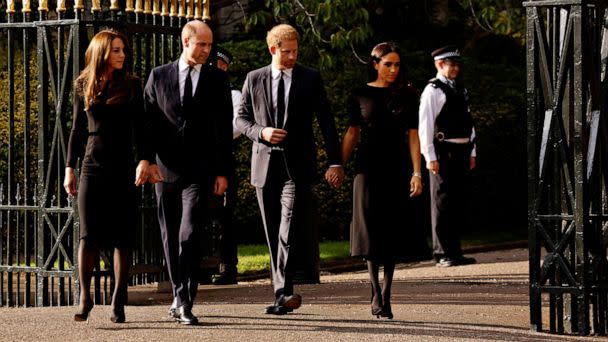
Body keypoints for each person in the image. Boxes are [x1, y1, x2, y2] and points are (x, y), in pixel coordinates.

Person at [235, 24, 344, 315]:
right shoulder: (254, 78)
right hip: (264, 165)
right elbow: (242, 120)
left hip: (297, 167)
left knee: (289, 226)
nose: (293, 56)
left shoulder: (310, 78)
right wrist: (262, 132)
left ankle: (284, 291)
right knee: (273, 231)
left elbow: (327, 121)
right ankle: (280, 294)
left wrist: (335, 160)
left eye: (296, 51)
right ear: (273, 49)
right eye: (287, 52)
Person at [143, 20, 233, 325]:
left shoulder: (217, 80)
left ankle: (183, 298)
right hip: (165, 168)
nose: (208, 50)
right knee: (169, 235)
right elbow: (147, 123)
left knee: (190, 232)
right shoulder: (159, 75)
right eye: (202, 44)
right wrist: (145, 160)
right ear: (186, 42)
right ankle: (180, 296)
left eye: (210, 45)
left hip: (201, 170)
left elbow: (223, 129)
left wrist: (223, 172)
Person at [64, 29, 152, 323]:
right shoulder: (83, 84)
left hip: (123, 166)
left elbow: (142, 128)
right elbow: (76, 129)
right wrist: (69, 168)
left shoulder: (132, 85)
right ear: (102, 51)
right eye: (116, 50)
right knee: (87, 235)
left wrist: (144, 160)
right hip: (92, 166)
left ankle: (117, 299)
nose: (122, 55)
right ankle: (85, 296)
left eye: (123, 50)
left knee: (122, 236)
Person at [340, 42, 423, 320]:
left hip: (397, 168)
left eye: (397, 64)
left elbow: (414, 135)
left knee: (391, 233)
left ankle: (386, 295)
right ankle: (375, 291)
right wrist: (337, 164)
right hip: (367, 168)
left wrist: (417, 172)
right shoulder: (359, 94)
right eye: (388, 64)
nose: (393, 69)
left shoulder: (408, 95)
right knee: (370, 232)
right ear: (375, 64)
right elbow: (352, 133)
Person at [418, 45, 477, 267]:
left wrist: (472, 151)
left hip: (462, 150)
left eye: (456, 65)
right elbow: (425, 126)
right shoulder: (432, 91)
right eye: (450, 64)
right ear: (439, 65)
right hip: (443, 151)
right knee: (441, 201)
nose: (455, 69)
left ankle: (455, 250)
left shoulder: (460, 90)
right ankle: (442, 252)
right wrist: (429, 156)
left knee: (457, 201)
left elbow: (470, 123)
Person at [211, 46, 241, 285]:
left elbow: (237, 126)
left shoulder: (233, 95)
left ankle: (227, 267)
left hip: (223, 159)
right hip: (202, 160)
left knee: (226, 217)